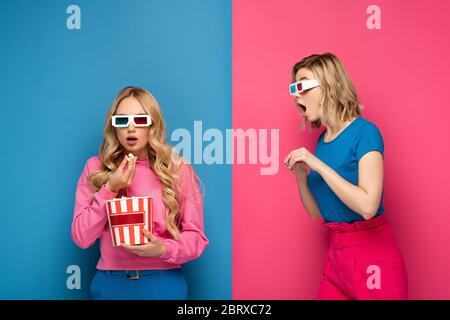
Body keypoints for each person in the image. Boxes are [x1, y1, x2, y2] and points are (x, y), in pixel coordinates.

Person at [284, 53, 408, 300]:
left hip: (373, 259)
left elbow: (368, 206)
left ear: (328, 84)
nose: (296, 94)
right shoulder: (322, 142)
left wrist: (316, 164)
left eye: (302, 85)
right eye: (293, 88)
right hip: (335, 260)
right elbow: (316, 213)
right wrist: (301, 175)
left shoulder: (365, 132)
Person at [72, 86, 208, 300]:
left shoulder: (177, 169)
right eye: (122, 121)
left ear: (152, 123)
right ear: (114, 127)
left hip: (163, 284)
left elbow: (197, 238)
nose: (131, 128)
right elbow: (81, 237)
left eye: (140, 120)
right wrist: (110, 188)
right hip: (110, 285)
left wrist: (163, 248)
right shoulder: (95, 168)